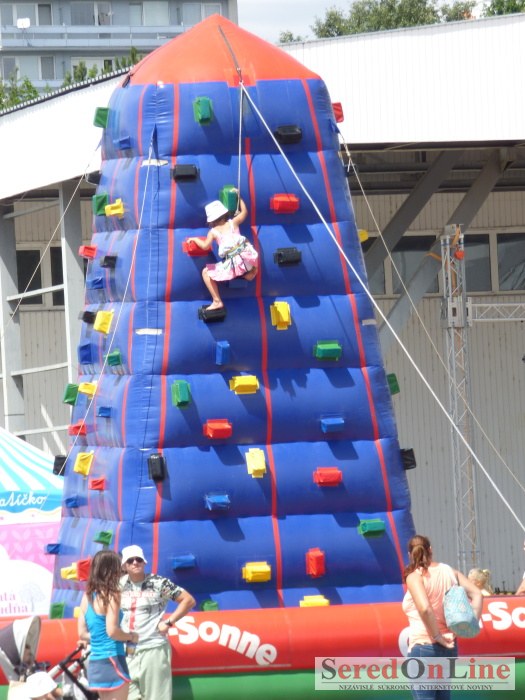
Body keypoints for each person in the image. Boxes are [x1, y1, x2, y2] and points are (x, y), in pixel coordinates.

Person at [402, 535, 482, 700]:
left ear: (410, 554)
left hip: (424, 646)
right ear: (430, 550)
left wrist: (436, 636)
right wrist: (469, 625)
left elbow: (425, 609)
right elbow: (477, 594)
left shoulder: (415, 577)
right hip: (449, 646)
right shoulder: (450, 572)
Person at [119, 545, 195, 700]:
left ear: (144, 562)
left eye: (138, 559)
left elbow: (188, 600)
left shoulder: (158, 583)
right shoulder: (119, 584)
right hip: (128, 649)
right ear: (124, 566)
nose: (135, 563)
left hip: (153, 646)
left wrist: (169, 622)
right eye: (130, 560)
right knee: (126, 695)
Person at [77, 550, 138, 700]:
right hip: (113, 659)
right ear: (111, 570)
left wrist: (99, 637)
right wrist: (130, 636)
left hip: (96, 663)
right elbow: (112, 631)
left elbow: (82, 634)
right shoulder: (112, 594)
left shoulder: (87, 597)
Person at [187, 190, 258, 310]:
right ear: (224, 214)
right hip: (249, 260)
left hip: (234, 265)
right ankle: (252, 271)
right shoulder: (233, 223)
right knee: (246, 243)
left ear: (211, 220)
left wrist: (194, 239)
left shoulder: (213, 232)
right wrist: (239, 197)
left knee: (206, 272)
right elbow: (244, 212)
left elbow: (205, 246)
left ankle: (217, 301)